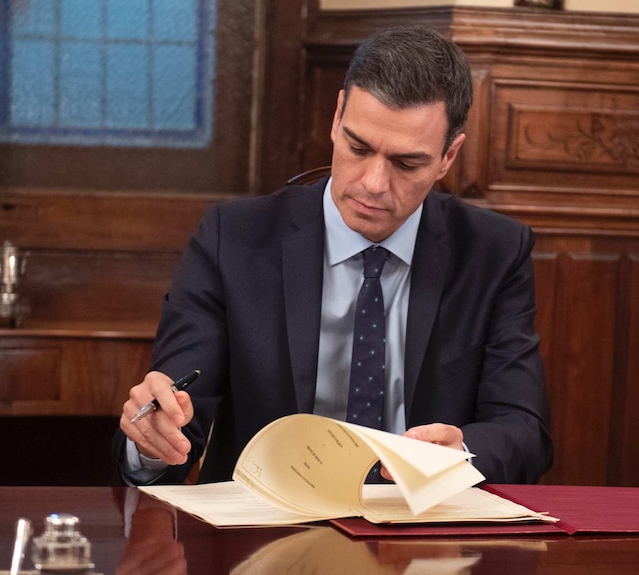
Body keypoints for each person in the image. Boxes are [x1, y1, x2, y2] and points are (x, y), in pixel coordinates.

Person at [113, 24, 553, 486]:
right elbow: (179, 414)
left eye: (407, 163)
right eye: (358, 147)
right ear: (337, 115)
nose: (373, 184)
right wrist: (153, 440)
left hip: (424, 536)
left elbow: (524, 431)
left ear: (448, 156)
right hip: (263, 529)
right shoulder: (234, 239)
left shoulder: (494, 252)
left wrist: (460, 451)